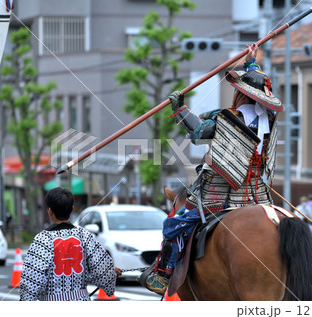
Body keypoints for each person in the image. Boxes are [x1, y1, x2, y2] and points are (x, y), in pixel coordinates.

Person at [146, 44, 284, 294]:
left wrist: (180, 109)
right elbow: (256, 83)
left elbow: (199, 132)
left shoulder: (230, 117)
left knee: (175, 224)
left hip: (221, 190)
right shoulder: (268, 119)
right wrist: (251, 64)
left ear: (242, 94)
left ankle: (162, 274)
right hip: (256, 193)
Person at [20, 187, 121, 301]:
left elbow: (31, 280)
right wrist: (110, 271)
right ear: (72, 209)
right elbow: (99, 269)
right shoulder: (84, 235)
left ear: (49, 211)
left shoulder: (42, 239)